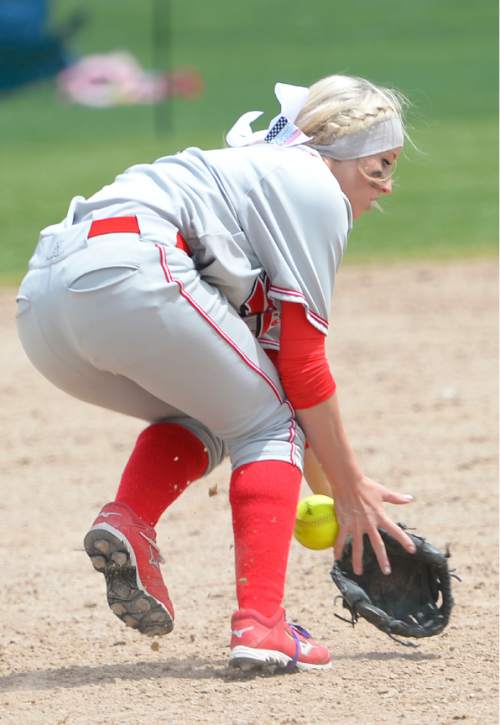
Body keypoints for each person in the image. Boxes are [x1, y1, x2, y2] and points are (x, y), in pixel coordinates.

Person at [16, 74, 417, 673]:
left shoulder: (261, 175)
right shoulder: (315, 190)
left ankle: (129, 523)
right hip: (135, 272)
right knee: (269, 423)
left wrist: (334, 493)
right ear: (340, 154)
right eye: (380, 166)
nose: (385, 187)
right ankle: (263, 627)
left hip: (45, 308)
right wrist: (352, 488)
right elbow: (303, 369)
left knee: (224, 412)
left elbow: (270, 379)